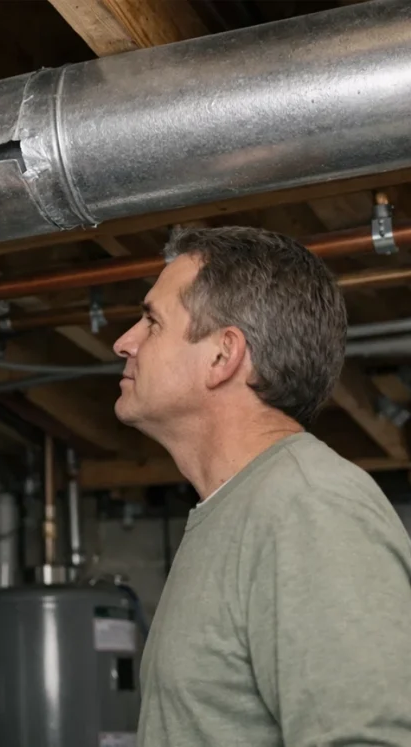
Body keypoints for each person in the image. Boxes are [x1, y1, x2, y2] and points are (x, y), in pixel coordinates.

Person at [111, 226, 411, 746]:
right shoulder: (237, 508)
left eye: (152, 322)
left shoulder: (309, 506)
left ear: (223, 357)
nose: (124, 342)